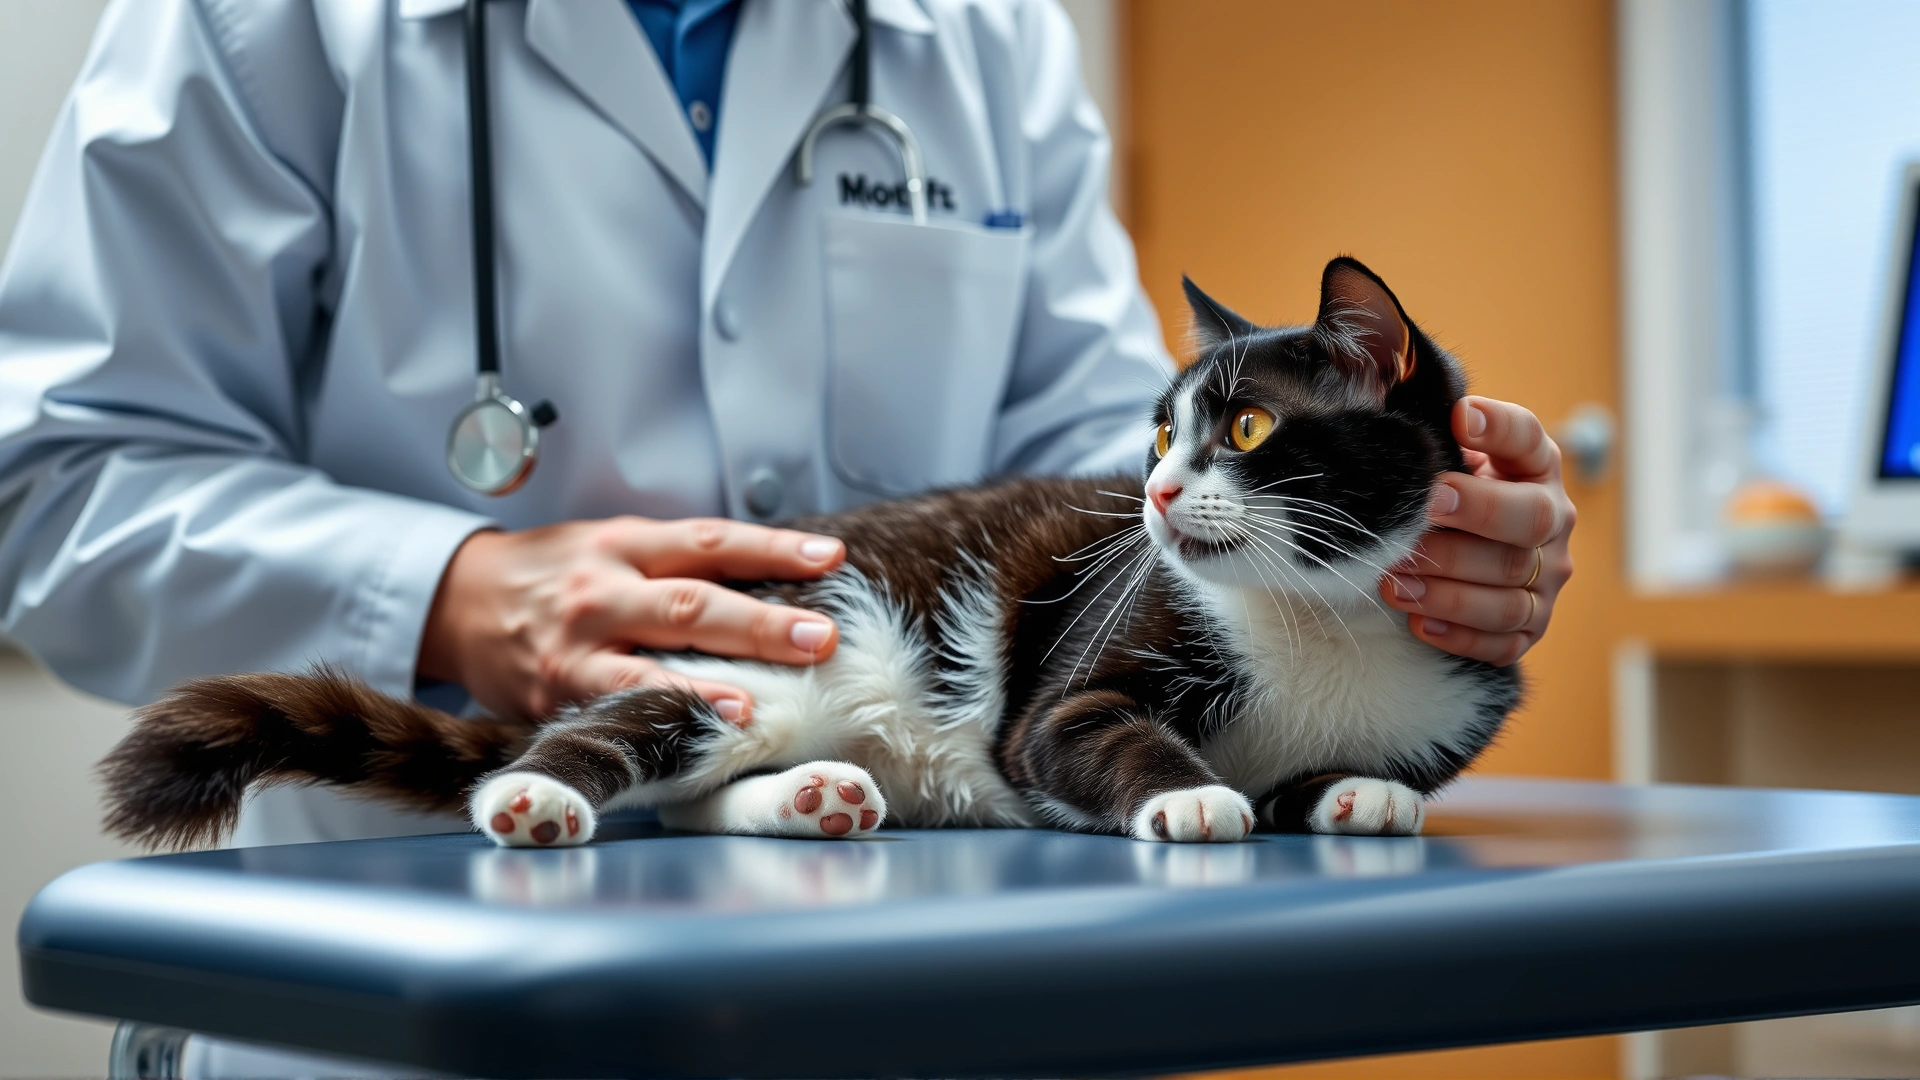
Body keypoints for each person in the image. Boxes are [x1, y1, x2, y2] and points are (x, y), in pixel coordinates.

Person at [0, 0, 1574, 850]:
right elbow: (55, 485)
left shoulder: (982, 33)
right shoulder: (257, 23)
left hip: (934, 966)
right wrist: (455, 595)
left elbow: (1119, 479)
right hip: (420, 976)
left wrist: (1395, 554)